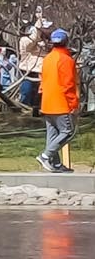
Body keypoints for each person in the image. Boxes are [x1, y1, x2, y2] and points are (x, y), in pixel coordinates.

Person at [39, 27, 82, 174]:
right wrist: (74, 104)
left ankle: (56, 164)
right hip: (61, 103)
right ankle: (46, 156)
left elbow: (42, 82)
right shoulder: (66, 60)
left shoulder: (47, 59)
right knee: (67, 131)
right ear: (66, 42)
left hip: (47, 103)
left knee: (53, 134)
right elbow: (68, 85)